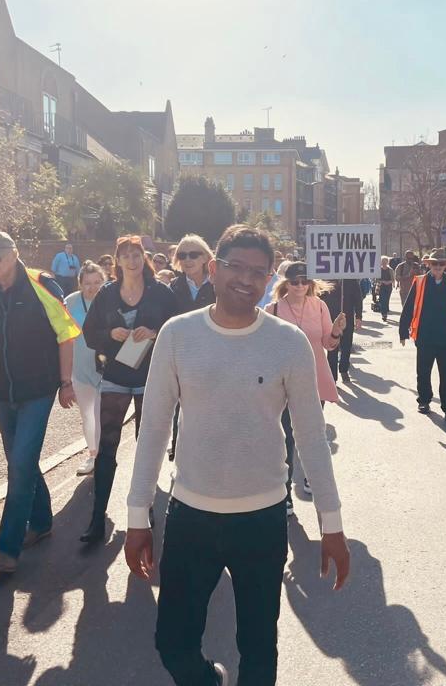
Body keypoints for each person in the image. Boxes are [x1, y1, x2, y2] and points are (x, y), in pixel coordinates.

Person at [124, 225, 350, 686]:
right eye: (235, 268)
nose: (246, 280)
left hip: (262, 521)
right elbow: (153, 428)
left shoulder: (289, 343)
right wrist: (136, 515)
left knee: (259, 650)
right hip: (191, 517)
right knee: (173, 645)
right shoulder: (177, 334)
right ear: (213, 270)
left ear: (270, 280)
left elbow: (310, 437)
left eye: (259, 272)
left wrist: (332, 524)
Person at [0, 231, 79, 574]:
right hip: (0, 392)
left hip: (38, 391)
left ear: (13, 255)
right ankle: (42, 521)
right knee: (22, 461)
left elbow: (67, 333)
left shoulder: (42, 285)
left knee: (19, 464)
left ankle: (7, 548)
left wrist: (66, 381)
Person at [80, 236, 178, 544]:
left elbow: (178, 329)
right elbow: (89, 334)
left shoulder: (161, 292)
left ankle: (144, 510)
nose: (132, 260)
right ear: (118, 261)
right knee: (107, 446)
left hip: (151, 376)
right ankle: (97, 520)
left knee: (145, 444)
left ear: (144, 258)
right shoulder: (108, 294)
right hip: (116, 376)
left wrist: (154, 332)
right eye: (126, 256)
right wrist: (111, 332)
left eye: (137, 255)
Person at [269, 261, 344, 516]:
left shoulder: (320, 306)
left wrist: (335, 332)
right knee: (287, 436)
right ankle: (285, 491)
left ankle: (312, 478)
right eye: (294, 281)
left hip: (314, 378)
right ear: (285, 283)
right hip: (283, 382)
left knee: (313, 433)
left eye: (304, 281)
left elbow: (328, 344)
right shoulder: (273, 310)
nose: (300, 285)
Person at [399, 248, 446, 422]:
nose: (438, 266)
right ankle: (424, 400)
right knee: (423, 371)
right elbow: (409, 306)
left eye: (441, 264)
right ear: (428, 265)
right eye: (434, 263)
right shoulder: (420, 282)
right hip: (426, 336)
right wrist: (403, 331)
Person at [166, 234, 216, 460]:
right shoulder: (172, 287)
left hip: (216, 356)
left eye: (194, 254)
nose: (188, 259)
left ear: (206, 257)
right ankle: (180, 454)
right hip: (183, 357)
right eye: (182, 255)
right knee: (182, 409)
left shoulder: (219, 284)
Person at [64, 261, 107, 476]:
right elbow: (61, 334)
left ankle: (102, 457)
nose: (92, 287)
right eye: (87, 283)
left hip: (105, 369)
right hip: (79, 369)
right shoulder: (70, 302)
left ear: (104, 281)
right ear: (80, 284)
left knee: (100, 415)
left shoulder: (110, 299)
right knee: (87, 415)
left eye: (97, 282)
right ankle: (92, 455)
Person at [321, 278, 363, 384]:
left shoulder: (351, 280)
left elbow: (358, 299)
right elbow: (320, 299)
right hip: (330, 319)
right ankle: (332, 377)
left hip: (347, 319)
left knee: (346, 346)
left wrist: (358, 317)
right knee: (332, 348)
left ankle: (344, 370)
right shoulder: (326, 280)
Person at [376, 256, 394, 322]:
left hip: (388, 287)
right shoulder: (378, 269)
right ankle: (384, 313)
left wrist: (388, 282)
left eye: (385, 261)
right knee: (382, 300)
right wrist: (382, 281)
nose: (384, 263)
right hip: (381, 286)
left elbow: (393, 279)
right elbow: (376, 279)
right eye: (382, 261)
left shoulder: (390, 270)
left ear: (387, 262)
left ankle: (385, 313)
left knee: (386, 300)